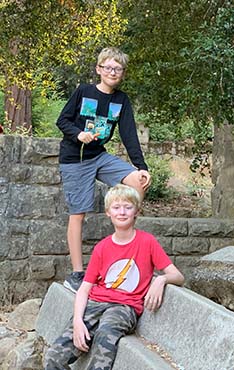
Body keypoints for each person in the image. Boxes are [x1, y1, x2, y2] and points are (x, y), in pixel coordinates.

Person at [44, 184, 185, 369]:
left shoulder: (147, 242)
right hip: (95, 304)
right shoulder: (102, 247)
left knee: (105, 333)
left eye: (128, 207)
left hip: (124, 307)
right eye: (116, 207)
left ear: (137, 211)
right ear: (108, 212)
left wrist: (161, 279)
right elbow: (85, 288)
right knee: (53, 358)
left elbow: (178, 276)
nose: (122, 212)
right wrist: (78, 321)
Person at [56, 47, 151, 291]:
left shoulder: (121, 100)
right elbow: (62, 120)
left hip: (99, 157)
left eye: (117, 69)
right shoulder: (83, 91)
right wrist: (79, 134)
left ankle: (123, 245)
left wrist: (141, 166)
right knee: (78, 213)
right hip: (75, 159)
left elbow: (129, 134)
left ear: (122, 73)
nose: (112, 72)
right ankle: (77, 274)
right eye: (108, 67)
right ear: (99, 69)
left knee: (138, 182)